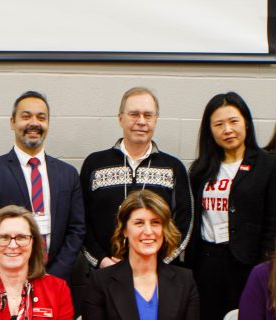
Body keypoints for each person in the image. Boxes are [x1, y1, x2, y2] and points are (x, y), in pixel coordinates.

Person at [187, 92, 276, 320]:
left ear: (246, 123)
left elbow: (274, 223)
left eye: (233, 121)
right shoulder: (200, 169)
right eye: (218, 124)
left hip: (247, 266)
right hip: (206, 263)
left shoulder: (269, 165)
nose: (227, 130)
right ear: (209, 130)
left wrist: (265, 268)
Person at [78, 87, 193, 301]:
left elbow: (185, 224)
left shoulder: (173, 167)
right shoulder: (95, 164)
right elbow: (81, 221)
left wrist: (156, 264)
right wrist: (101, 261)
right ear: (121, 118)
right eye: (134, 114)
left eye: (148, 115)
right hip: (105, 276)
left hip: (158, 278)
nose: (141, 121)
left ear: (156, 120)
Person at [0, 91, 85, 281]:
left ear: (48, 123)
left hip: (57, 280)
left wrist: (54, 275)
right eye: (26, 116)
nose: (34, 123)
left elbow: (77, 230)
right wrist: (16, 271)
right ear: (12, 122)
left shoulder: (68, 174)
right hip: (8, 279)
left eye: (41, 117)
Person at [80, 190, 199, 320]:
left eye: (156, 223)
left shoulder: (185, 280)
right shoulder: (100, 283)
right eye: (139, 223)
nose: (149, 231)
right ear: (125, 231)